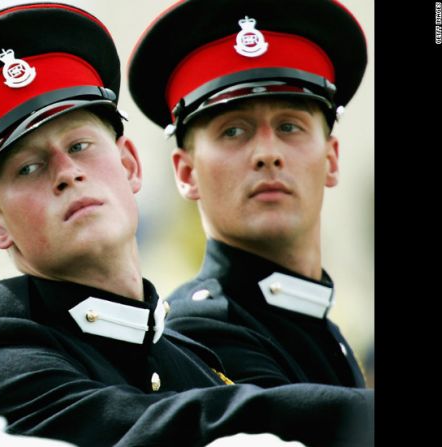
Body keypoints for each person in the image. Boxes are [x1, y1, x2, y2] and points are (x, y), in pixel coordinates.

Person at [0, 3, 373, 446]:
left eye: (80, 146)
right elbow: (148, 429)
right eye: (29, 167)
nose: (68, 173)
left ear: (130, 166)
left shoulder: (190, 361)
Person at [128, 0, 369, 388]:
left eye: (290, 126)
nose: (268, 154)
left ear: (332, 159)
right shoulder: (201, 331)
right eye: (234, 131)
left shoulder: (320, 325)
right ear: (186, 172)